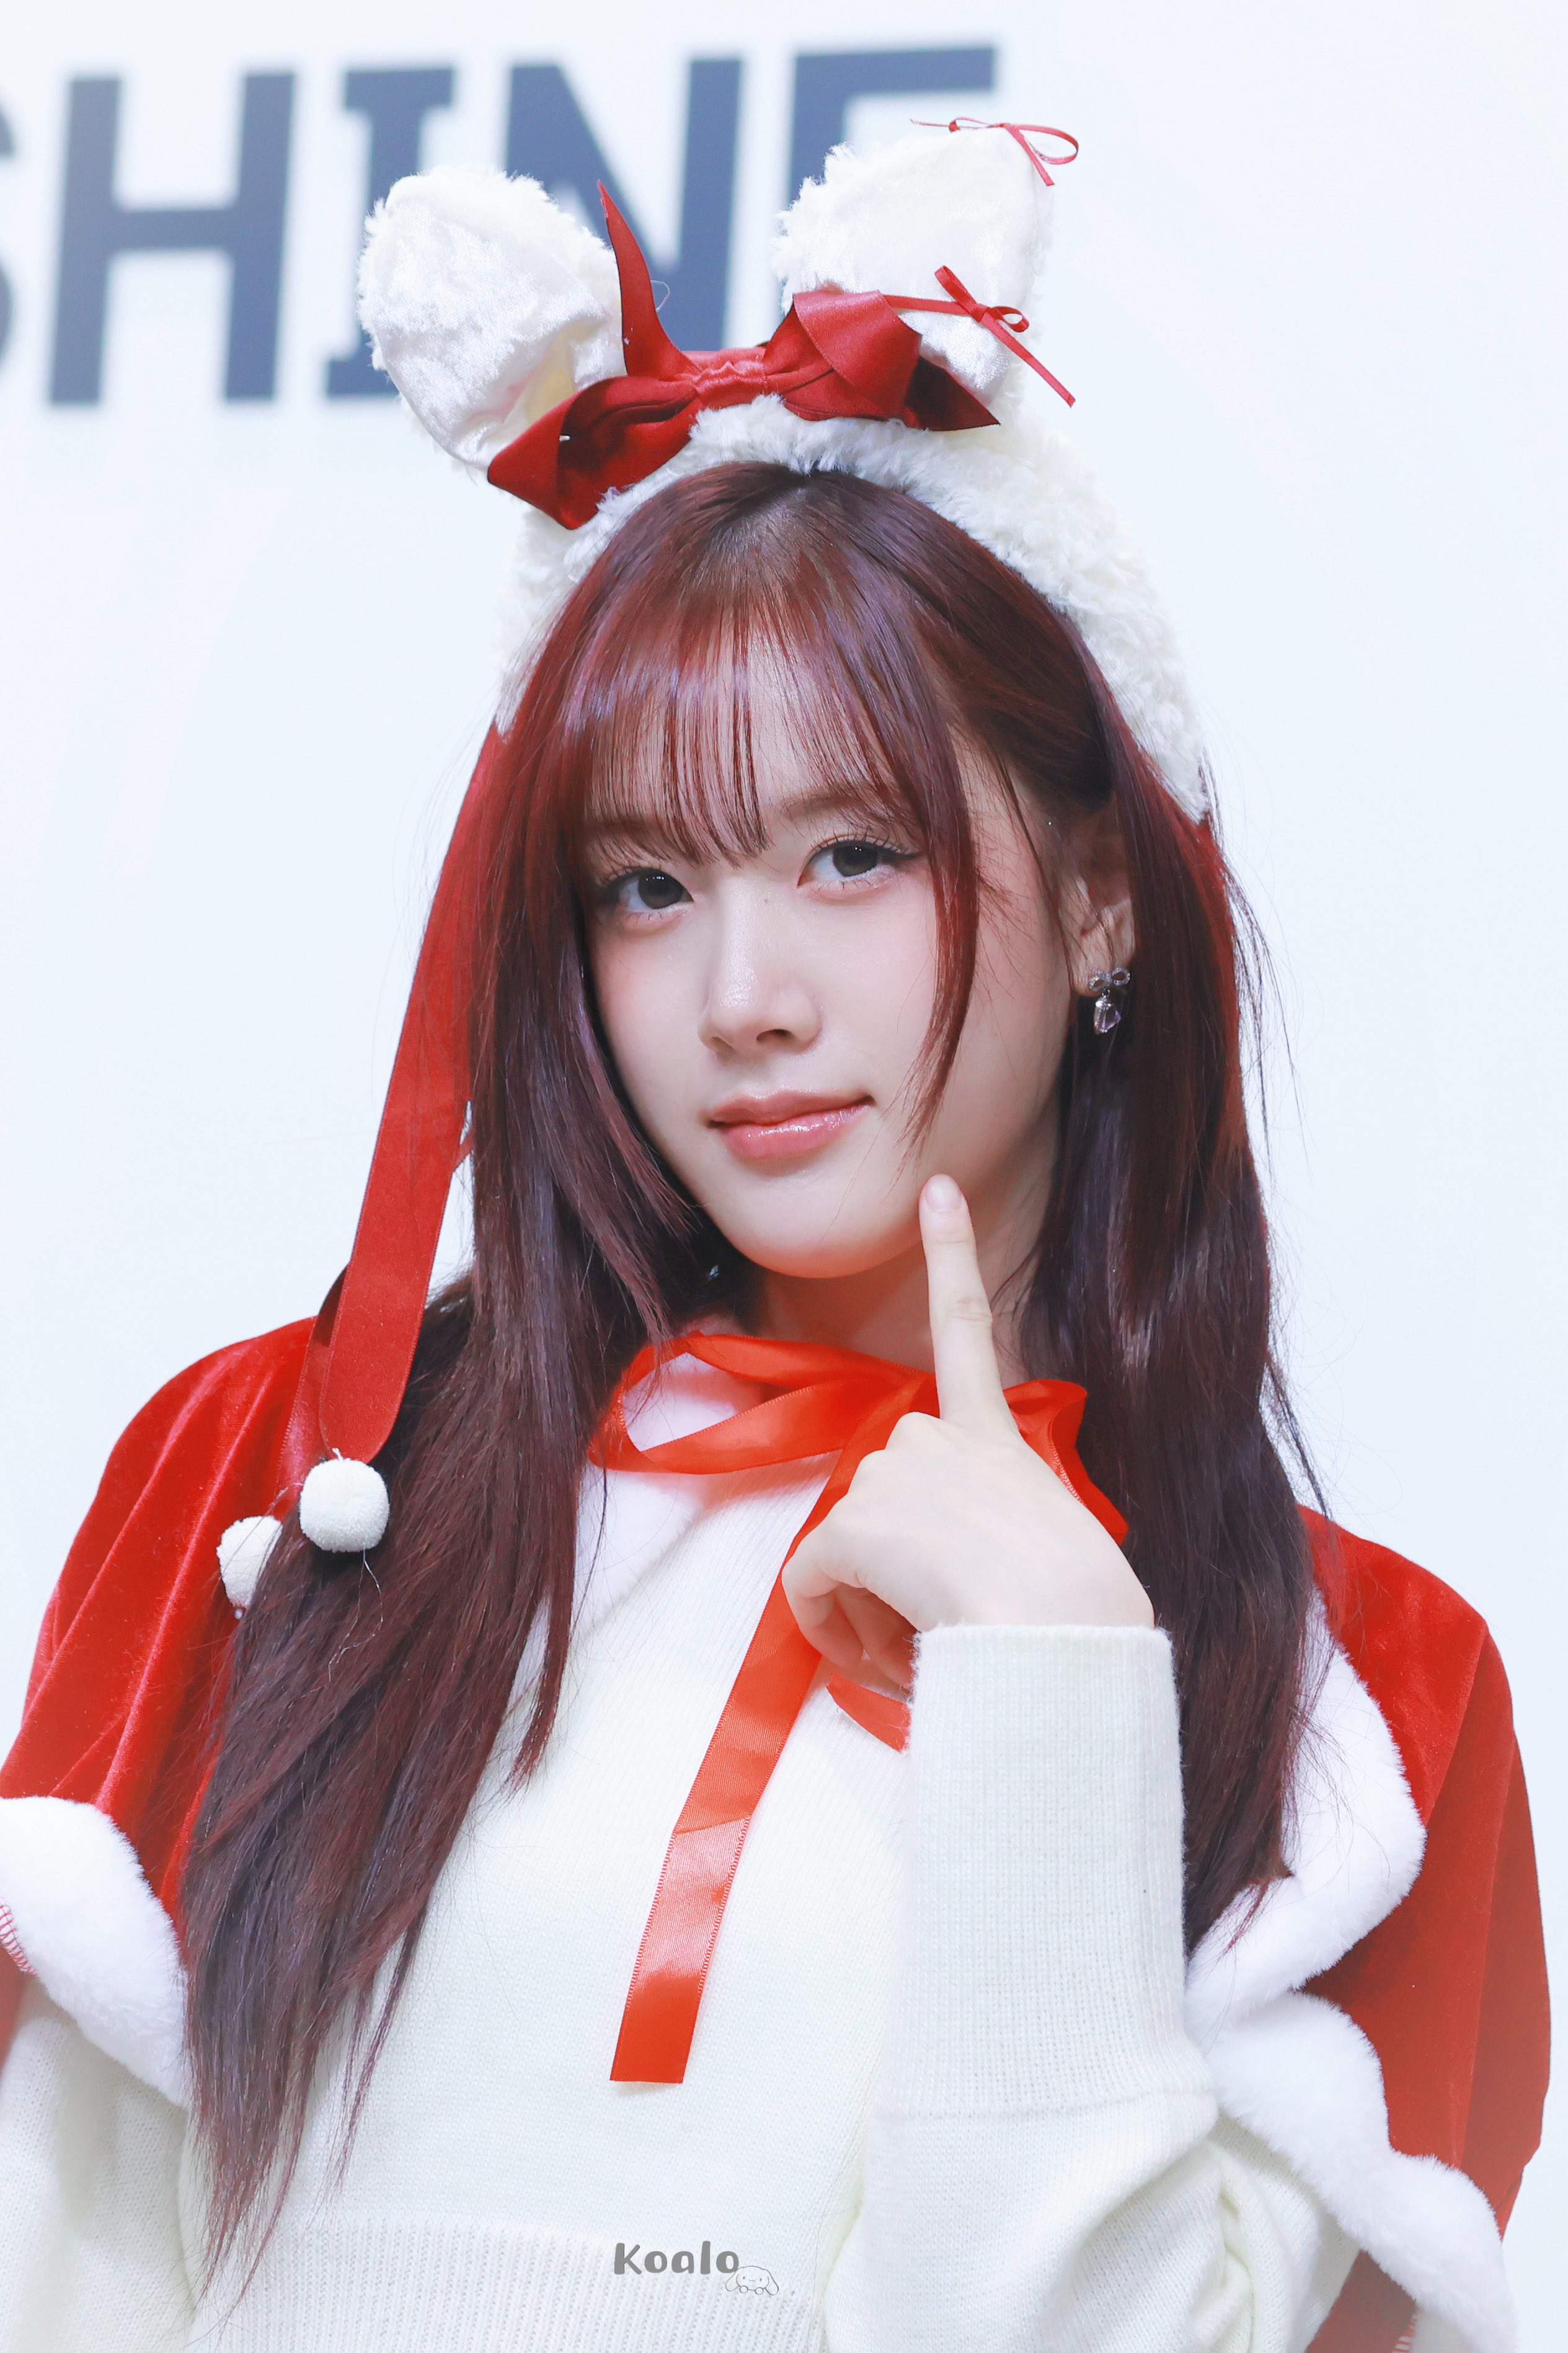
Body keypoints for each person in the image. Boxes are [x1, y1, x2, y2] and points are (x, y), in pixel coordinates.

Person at [0, 125, 1547, 2353]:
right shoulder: (287, 1489)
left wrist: (1051, 1678)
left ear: (1099, 897)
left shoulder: (1347, 1703)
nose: (741, 996)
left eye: (850, 854)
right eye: (647, 884)